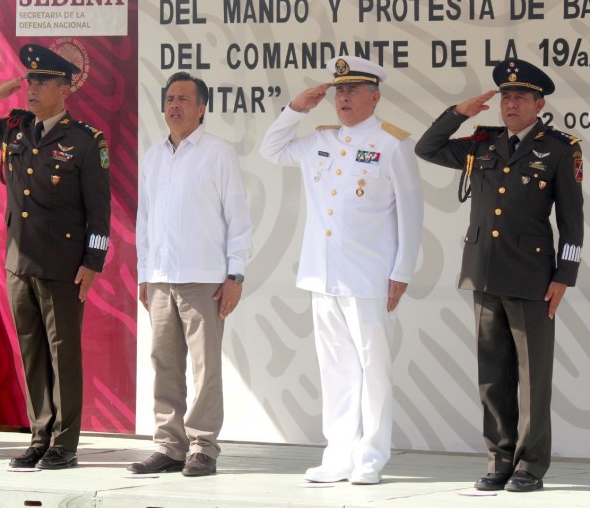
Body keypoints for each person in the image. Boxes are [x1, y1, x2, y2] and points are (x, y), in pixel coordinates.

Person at [415, 59, 583, 493]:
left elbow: (572, 221)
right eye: (505, 97)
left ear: (539, 104)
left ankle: (530, 464)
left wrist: (564, 276)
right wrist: (460, 113)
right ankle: (500, 458)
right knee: (493, 376)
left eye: (520, 98)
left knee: (532, 378)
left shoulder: (560, 148)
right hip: (482, 273)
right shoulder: (483, 143)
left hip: (532, 277)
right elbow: (427, 148)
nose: (510, 104)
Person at [260, 56, 423, 485]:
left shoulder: (393, 143)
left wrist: (402, 271)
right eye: (338, 91)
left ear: (375, 96)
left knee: (374, 368)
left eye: (353, 90)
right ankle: (338, 454)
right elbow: (270, 149)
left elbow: (411, 212)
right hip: (322, 272)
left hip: (370, 276)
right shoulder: (320, 139)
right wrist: (297, 108)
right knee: (335, 368)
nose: (344, 98)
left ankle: (370, 456)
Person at [0, 44, 110, 470]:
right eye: (31, 81)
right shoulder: (15, 129)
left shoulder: (84, 141)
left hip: (63, 266)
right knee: (33, 354)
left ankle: (65, 442)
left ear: (65, 90)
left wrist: (92, 264)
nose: (34, 88)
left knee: (64, 355)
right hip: (19, 264)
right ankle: (40, 436)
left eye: (43, 82)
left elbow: (99, 210)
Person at [128, 71, 253, 478]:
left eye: (184, 99)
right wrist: (145, 274)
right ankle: (168, 445)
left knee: (205, 368)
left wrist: (236, 274)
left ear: (202, 109)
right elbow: (145, 221)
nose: (174, 105)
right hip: (161, 278)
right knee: (164, 365)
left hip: (205, 279)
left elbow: (238, 217)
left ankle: (203, 446)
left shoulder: (218, 153)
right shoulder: (153, 156)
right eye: (169, 99)